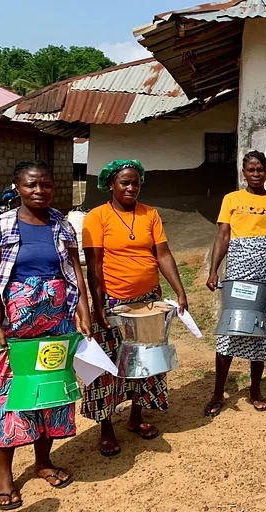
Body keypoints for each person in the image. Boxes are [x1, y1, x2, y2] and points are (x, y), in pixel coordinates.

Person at [0, 161, 93, 510]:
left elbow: (74, 271)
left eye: (45, 184)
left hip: (57, 325)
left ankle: (43, 462)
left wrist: (83, 312)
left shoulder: (62, 225)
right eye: (31, 185)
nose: (39, 191)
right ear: (17, 187)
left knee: (51, 391)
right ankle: (5, 476)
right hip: (14, 327)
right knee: (8, 396)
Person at [81, 160, 188, 456]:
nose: (131, 188)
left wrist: (179, 290)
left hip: (148, 301)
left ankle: (136, 418)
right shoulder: (97, 217)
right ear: (111, 184)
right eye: (125, 183)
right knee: (107, 368)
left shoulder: (150, 214)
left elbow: (163, 254)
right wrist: (99, 304)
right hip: (113, 302)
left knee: (146, 363)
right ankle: (106, 428)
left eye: (135, 183)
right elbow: (94, 265)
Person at [205, 151, 266, 415]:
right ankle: (218, 393)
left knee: (258, 330)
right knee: (230, 329)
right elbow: (223, 236)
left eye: (260, 169)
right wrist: (213, 270)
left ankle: (255, 390)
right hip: (239, 270)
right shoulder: (231, 199)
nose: (255, 173)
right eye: (251, 169)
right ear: (244, 172)